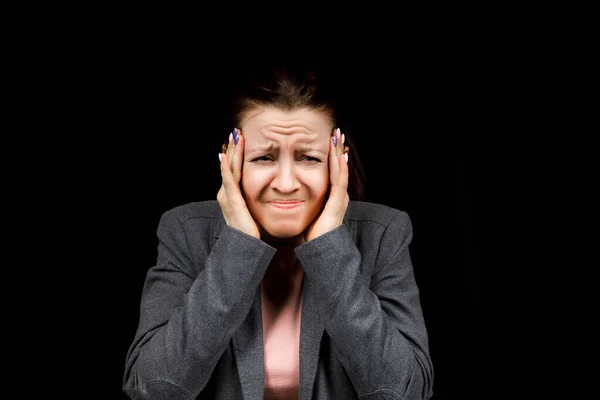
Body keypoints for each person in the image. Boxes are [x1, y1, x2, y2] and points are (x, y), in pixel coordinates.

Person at [122, 65, 434, 400]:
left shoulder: (384, 233)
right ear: (230, 160)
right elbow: (152, 389)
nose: (285, 184)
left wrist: (329, 249)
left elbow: (405, 391)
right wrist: (238, 245)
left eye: (309, 158)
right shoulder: (185, 231)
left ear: (339, 160)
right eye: (264, 157)